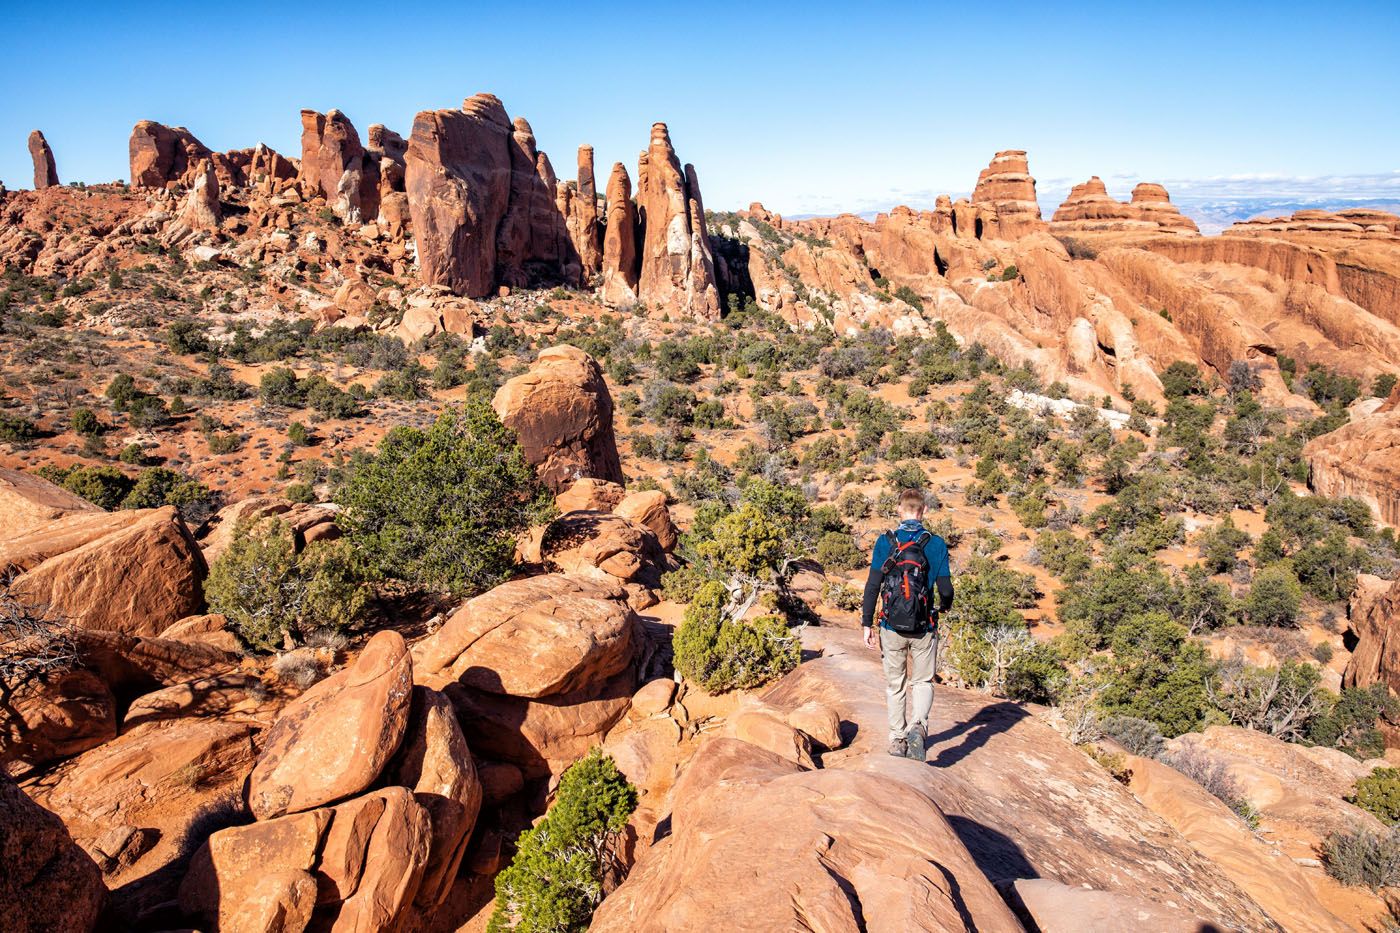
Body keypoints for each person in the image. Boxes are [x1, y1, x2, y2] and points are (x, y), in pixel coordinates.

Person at [861, 488, 954, 760]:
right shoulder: (935, 544)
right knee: (923, 681)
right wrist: (943, 607)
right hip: (924, 626)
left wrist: (867, 623)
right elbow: (945, 588)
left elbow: (873, 586)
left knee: (895, 684)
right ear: (923, 511)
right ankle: (918, 727)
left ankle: (897, 738)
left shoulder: (885, 542)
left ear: (900, 510)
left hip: (891, 627)